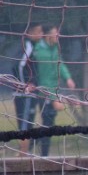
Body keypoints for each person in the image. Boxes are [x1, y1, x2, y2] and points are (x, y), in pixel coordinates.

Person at [31, 24, 75, 157]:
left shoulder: (55, 49)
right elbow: (42, 79)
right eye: (55, 34)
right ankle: (40, 151)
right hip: (43, 93)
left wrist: (68, 78)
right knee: (48, 123)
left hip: (53, 91)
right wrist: (52, 99)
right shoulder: (39, 52)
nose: (58, 36)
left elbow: (60, 64)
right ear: (48, 35)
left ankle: (33, 145)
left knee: (48, 123)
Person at [12, 23, 43, 155]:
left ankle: (24, 154)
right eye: (39, 31)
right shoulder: (28, 46)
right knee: (25, 125)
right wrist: (24, 86)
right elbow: (18, 66)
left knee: (28, 125)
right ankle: (22, 156)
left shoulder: (32, 46)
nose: (41, 34)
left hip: (29, 93)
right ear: (30, 33)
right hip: (24, 95)